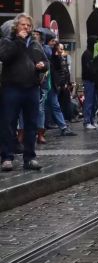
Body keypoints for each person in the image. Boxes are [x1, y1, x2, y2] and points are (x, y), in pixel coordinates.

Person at [0, 14, 48, 171]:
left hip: (32, 88)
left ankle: (30, 157)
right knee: (9, 123)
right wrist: (19, 41)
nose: (26, 27)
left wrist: (43, 65)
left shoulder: (35, 43)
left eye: (28, 25)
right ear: (16, 26)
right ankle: (7, 157)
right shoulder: (8, 41)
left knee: (31, 124)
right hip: (12, 87)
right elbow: (5, 57)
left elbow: (46, 61)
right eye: (23, 25)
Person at [40, 30, 76, 138]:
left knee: (52, 105)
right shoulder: (43, 50)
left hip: (51, 83)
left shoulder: (55, 55)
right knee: (44, 107)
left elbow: (60, 69)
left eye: (53, 41)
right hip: (44, 82)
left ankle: (60, 127)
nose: (52, 43)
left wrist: (61, 82)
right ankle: (43, 128)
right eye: (51, 41)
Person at [81, 36, 98, 129]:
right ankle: (87, 121)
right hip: (89, 80)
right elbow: (89, 68)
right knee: (89, 101)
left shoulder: (92, 53)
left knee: (94, 102)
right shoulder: (87, 54)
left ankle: (91, 120)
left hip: (94, 80)